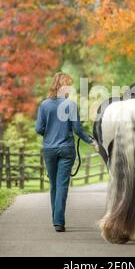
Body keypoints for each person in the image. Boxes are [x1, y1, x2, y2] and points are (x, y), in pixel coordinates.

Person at [35, 72, 97, 232]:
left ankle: (56, 219)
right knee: (62, 185)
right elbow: (77, 129)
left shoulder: (44, 105)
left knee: (54, 185)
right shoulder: (71, 105)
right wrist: (91, 141)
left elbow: (38, 128)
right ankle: (58, 221)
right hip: (66, 149)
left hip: (49, 149)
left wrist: (49, 133)